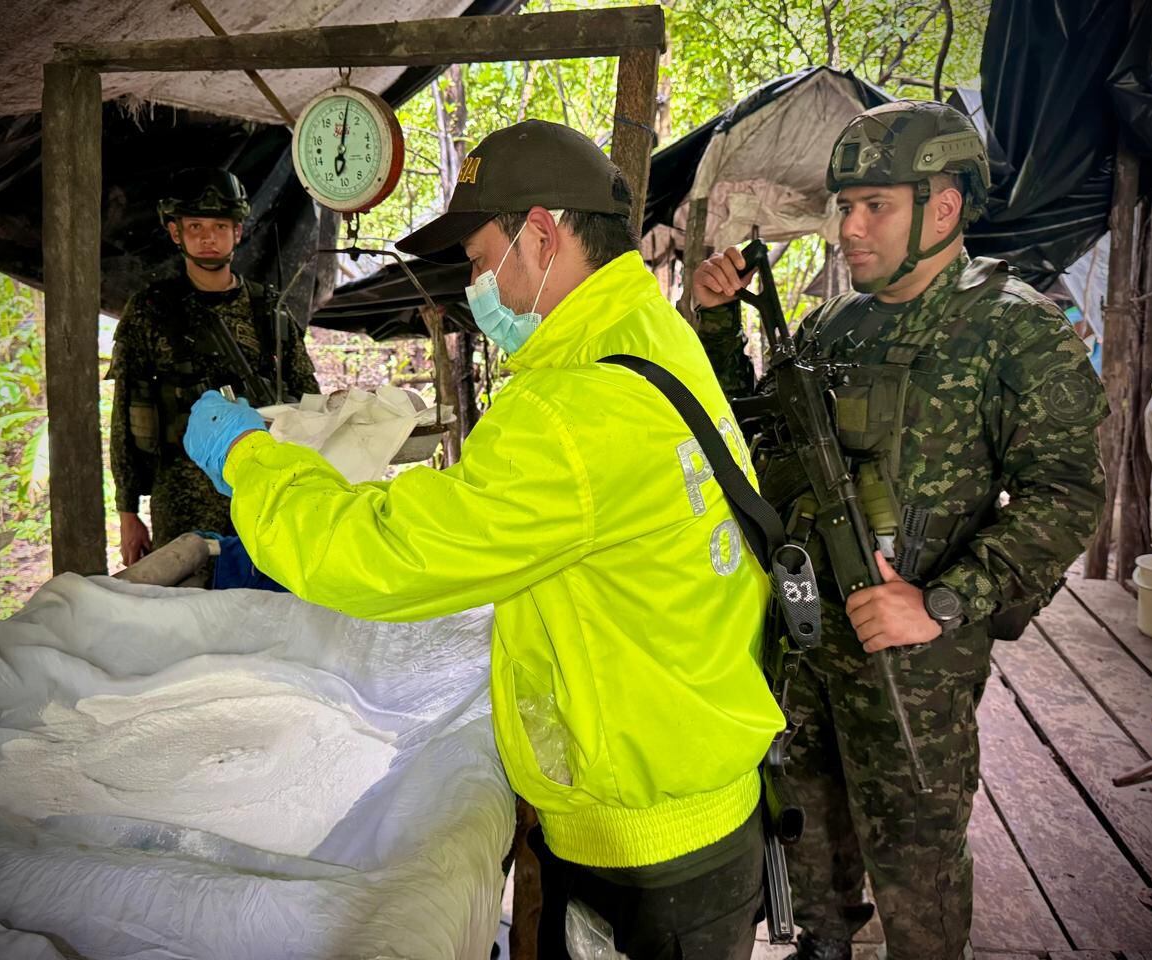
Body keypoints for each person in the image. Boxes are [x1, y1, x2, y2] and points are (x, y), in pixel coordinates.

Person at [183, 120, 783, 959]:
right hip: (699, 791)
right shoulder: (657, 339)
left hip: (645, 852)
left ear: (540, 233)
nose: (474, 286)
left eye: (477, 259)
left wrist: (251, 459)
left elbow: (376, 554)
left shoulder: (571, 410)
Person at [692, 100, 1108, 960]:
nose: (848, 227)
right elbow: (754, 436)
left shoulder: (1014, 328)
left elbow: (1064, 494)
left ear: (942, 208)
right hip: (806, 646)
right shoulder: (835, 326)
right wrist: (721, 323)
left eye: (872, 205)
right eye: (844, 207)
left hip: (913, 664)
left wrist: (945, 600)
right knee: (808, 844)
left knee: (916, 865)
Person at [108, 167, 320, 567]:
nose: (208, 237)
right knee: (191, 614)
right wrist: (127, 513)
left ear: (238, 232)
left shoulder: (271, 310)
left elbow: (311, 401)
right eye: (195, 226)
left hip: (265, 490)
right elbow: (126, 418)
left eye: (220, 226)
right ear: (176, 234)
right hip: (182, 502)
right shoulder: (150, 313)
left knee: (273, 604)